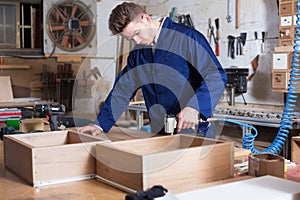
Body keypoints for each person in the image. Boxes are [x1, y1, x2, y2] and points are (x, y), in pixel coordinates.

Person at [78, 2, 227, 138]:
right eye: (131, 39)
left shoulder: (186, 38)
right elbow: (122, 90)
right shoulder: (138, 54)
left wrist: (195, 107)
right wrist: (99, 124)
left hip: (193, 130)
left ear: (146, 18)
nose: (136, 41)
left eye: (137, 33)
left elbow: (216, 76)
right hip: (160, 132)